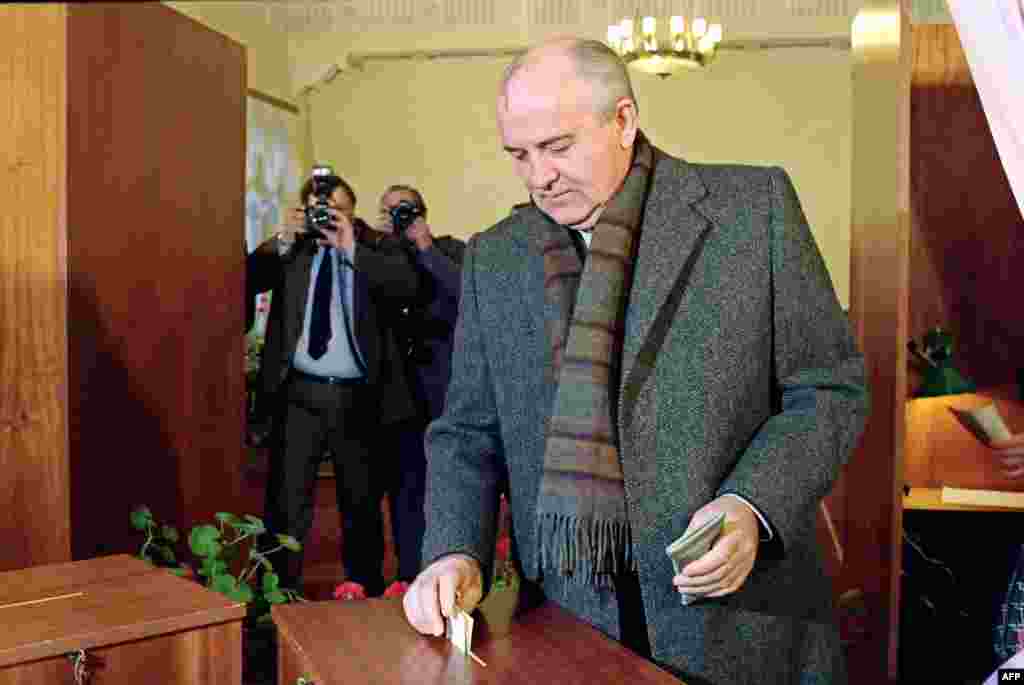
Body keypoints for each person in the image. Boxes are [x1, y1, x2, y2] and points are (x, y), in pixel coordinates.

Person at [402, 38, 869, 684]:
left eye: (559, 147)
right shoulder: (496, 256)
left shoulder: (751, 212)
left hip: (743, 627)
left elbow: (828, 389)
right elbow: (468, 434)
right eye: (520, 154)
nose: (540, 176)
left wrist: (752, 504)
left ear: (623, 119)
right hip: (570, 627)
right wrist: (453, 549)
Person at [247, 171, 418, 597]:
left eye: (338, 210)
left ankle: (364, 586)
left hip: (357, 396)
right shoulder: (293, 250)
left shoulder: (375, 246)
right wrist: (282, 239)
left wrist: (351, 249)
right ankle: (275, 595)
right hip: (298, 394)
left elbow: (407, 287)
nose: (329, 218)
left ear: (353, 211)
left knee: (359, 502)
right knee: (285, 504)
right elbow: (246, 281)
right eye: (320, 211)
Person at [373, 185, 466, 582]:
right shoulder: (373, 257)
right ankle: (410, 576)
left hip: (442, 391)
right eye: (390, 211)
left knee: (446, 485)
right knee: (405, 489)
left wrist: (426, 246)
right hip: (395, 394)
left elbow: (465, 295)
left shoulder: (450, 250)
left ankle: (449, 570)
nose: (398, 218)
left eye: (405, 210)